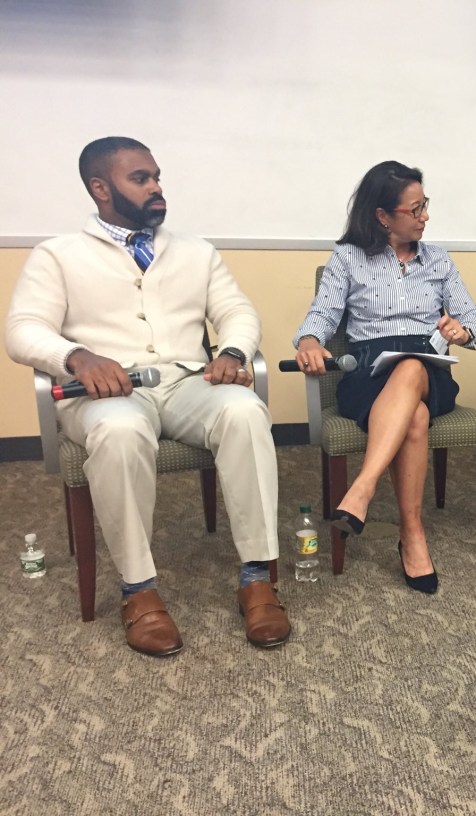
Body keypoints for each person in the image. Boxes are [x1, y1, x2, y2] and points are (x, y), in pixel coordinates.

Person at [5, 137, 290, 656]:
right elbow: (22, 330)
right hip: (105, 394)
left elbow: (238, 311)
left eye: (157, 176)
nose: (157, 187)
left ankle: (257, 577)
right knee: (118, 429)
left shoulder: (197, 251)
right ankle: (139, 591)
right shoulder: (58, 254)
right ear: (100, 187)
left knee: (247, 410)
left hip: (186, 383)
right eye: (141, 178)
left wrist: (231, 351)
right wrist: (77, 358)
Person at [293, 160, 476, 593]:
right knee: (413, 419)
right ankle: (412, 534)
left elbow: (473, 315)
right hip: (367, 371)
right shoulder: (348, 258)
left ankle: (362, 489)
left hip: (429, 368)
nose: (425, 217)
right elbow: (322, 313)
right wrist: (308, 340)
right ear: (382, 216)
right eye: (414, 209)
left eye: (425, 206)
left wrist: (463, 329)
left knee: (414, 364)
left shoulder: (438, 260)